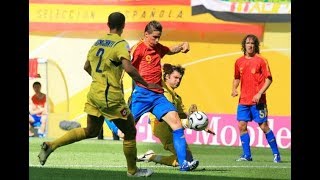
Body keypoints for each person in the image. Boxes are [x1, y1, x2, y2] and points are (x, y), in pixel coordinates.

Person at [38, 12, 161, 177]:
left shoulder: (97, 43)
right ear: (123, 26)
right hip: (110, 96)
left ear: (108, 24)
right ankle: (133, 170)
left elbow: (86, 66)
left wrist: (99, 80)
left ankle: (51, 145)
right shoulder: (121, 44)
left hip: (94, 92)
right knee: (130, 131)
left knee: (91, 130)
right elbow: (129, 68)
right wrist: (146, 84)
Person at [128, 20, 198, 172]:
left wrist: (182, 45)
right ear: (146, 35)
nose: (157, 40)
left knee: (177, 124)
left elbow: (170, 50)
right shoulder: (138, 49)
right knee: (124, 129)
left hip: (158, 96)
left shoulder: (157, 47)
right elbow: (127, 66)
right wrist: (140, 84)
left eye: (159, 37)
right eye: (154, 37)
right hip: (141, 94)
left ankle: (184, 164)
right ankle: (108, 120)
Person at [136, 63, 215, 167]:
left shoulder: (177, 97)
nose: (178, 81)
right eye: (175, 77)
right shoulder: (161, 87)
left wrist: (202, 126)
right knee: (185, 159)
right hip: (161, 126)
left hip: (172, 128)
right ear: (167, 76)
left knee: (188, 158)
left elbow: (183, 114)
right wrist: (159, 65)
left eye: (180, 79)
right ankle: (151, 157)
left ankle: (151, 156)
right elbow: (153, 74)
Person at [231, 34, 281, 163]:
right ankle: (247, 155)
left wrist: (259, 93)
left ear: (256, 45)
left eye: (252, 43)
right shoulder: (238, 61)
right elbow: (237, 77)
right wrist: (234, 88)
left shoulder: (261, 60)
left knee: (263, 126)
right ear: (244, 45)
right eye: (247, 43)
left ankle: (276, 154)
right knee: (241, 126)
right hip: (243, 100)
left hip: (258, 101)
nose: (250, 45)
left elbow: (269, 79)